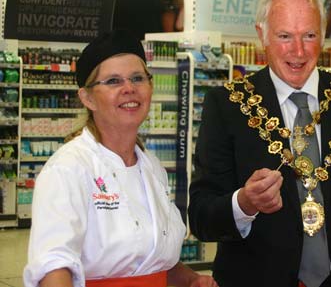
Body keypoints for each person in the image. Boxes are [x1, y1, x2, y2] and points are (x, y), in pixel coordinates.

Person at [188, 0, 331, 287]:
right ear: (262, 35)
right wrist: (244, 203)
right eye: (284, 36)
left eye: (309, 35)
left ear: (323, 35)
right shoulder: (227, 105)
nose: (299, 51)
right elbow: (201, 215)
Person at [23, 29, 218, 287]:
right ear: (87, 98)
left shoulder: (152, 167)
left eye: (138, 78)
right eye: (113, 81)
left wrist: (191, 280)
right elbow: (53, 267)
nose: (129, 89)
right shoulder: (68, 168)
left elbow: (150, 261)